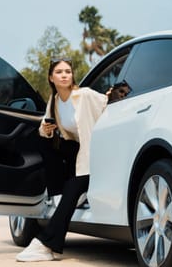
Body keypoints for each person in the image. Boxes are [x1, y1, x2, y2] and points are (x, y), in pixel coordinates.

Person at [16, 57, 116, 262]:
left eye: (68, 72)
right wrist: (45, 129)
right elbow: (45, 124)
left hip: (93, 156)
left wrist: (111, 94)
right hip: (75, 156)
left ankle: (45, 244)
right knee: (40, 139)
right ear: (51, 78)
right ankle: (59, 195)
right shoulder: (54, 102)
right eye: (59, 72)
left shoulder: (85, 95)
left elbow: (108, 104)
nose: (64, 75)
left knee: (72, 190)